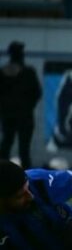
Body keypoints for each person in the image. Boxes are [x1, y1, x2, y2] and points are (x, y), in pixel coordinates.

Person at [0, 41, 41, 169]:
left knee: (7, 145)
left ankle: (3, 174)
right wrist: (28, 106)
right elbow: (37, 93)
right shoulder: (28, 72)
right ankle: (26, 177)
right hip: (25, 115)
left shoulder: (2, 73)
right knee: (24, 149)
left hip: (9, 116)